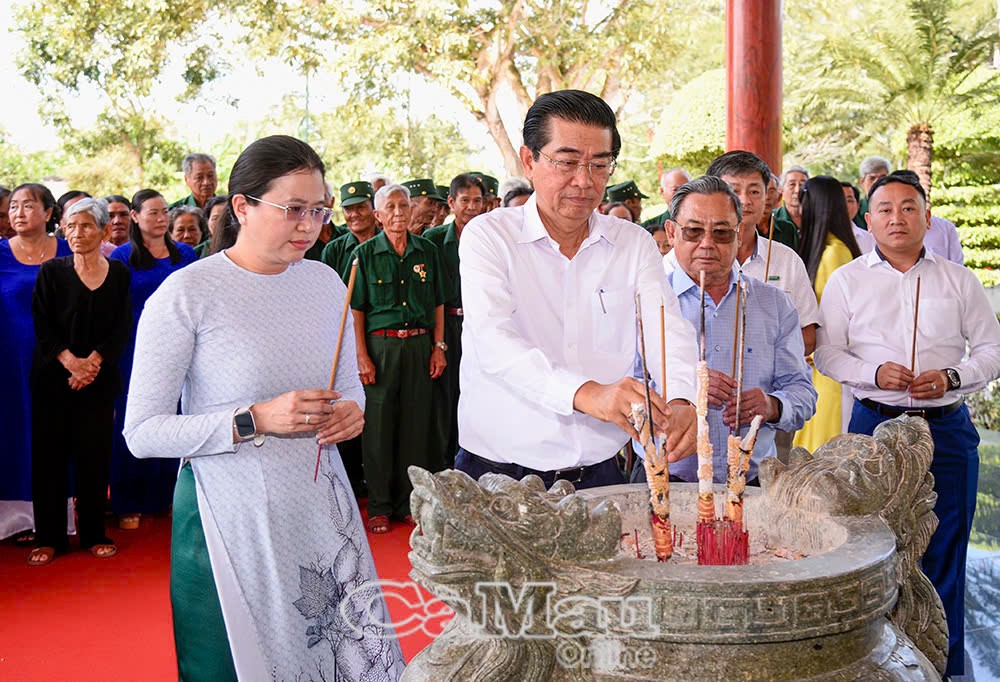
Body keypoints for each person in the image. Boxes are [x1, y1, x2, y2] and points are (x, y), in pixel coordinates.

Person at [123, 135, 403, 681]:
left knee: (341, 655)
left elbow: (349, 388)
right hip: (231, 514)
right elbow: (143, 431)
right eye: (293, 209)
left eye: (318, 210)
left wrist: (352, 413)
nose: (311, 225)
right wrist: (254, 419)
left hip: (322, 503)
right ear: (243, 207)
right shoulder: (189, 293)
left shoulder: (325, 282)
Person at [457, 89, 699, 490]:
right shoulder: (490, 236)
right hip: (501, 473)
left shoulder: (633, 243)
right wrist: (588, 394)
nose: (584, 181)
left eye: (600, 165)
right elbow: (493, 340)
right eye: (567, 162)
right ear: (529, 160)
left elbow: (666, 330)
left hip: (601, 473)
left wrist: (682, 399)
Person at [814, 170, 1000, 678]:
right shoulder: (848, 279)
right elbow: (827, 353)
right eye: (886, 209)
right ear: (867, 219)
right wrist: (872, 372)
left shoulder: (957, 279)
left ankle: (943, 668)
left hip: (946, 428)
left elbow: (991, 350)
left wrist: (953, 376)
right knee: (871, 548)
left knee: (945, 549)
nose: (897, 218)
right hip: (873, 428)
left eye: (909, 207)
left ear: (927, 216)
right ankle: (874, 664)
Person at [644, 176, 816, 485]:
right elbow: (627, 390)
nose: (707, 243)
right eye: (693, 231)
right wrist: (682, 392)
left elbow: (803, 393)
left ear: (739, 235)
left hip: (753, 482)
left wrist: (772, 405)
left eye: (722, 233)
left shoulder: (774, 304)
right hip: (668, 480)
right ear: (671, 233)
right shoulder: (649, 303)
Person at [28, 198, 131, 566]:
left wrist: (93, 364)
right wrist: (71, 363)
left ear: (104, 231)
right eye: (70, 226)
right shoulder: (51, 272)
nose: (76, 233)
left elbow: (121, 327)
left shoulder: (119, 274)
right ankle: (49, 537)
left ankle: (93, 533)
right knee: (49, 460)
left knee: (94, 457)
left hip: (99, 382)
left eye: (86, 226)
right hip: (53, 380)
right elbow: (42, 325)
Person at [351, 183, 446, 534]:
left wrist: (439, 346)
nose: (397, 213)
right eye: (389, 207)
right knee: (378, 429)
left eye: (403, 206)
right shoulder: (365, 254)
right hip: (381, 348)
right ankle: (378, 505)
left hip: (419, 346)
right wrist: (362, 355)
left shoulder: (427, 251)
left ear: (411, 210)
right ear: (377, 216)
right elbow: (357, 310)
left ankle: (409, 502)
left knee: (415, 427)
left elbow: (438, 301)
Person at [109, 189, 198, 530]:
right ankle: (128, 501)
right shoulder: (121, 256)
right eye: (153, 213)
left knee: (176, 417)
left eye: (164, 213)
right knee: (136, 418)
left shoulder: (186, 254)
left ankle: (168, 495)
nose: (161, 219)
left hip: (180, 346)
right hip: (134, 347)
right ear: (134, 216)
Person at [673, 150, 819, 356]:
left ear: (768, 196)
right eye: (733, 191)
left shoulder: (786, 260)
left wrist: (756, 357)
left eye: (754, 191)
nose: (745, 201)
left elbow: (808, 337)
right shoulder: (680, 260)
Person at [0, 184, 73, 544]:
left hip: (63, 358)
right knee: (16, 430)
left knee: (59, 433)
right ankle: (17, 517)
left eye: (28, 205)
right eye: (13, 206)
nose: (18, 212)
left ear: (48, 213)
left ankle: (62, 515)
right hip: (10, 362)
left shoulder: (67, 251)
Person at [790, 176, 862, 453]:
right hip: (818, 367)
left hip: (831, 371)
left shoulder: (835, 253)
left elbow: (838, 318)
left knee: (827, 452)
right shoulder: (828, 249)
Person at [424, 173, 486, 467]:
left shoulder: (491, 236)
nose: (471, 207)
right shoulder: (433, 240)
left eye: (477, 201)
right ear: (451, 203)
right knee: (444, 399)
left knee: (478, 394)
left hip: (481, 326)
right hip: (446, 326)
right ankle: (444, 466)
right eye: (465, 200)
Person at [321, 181, 379, 280]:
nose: (354, 214)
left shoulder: (390, 244)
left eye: (361, 207)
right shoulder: (334, 250)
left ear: (374, 208)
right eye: (348, 209)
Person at [771, 165, 808, 250]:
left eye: (802, 185)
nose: (797, 190)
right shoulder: (772, 218)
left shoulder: (816, 220)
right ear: (781, 189)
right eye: (792, 184)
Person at [853, 155, 891, 229]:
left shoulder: (899, 208)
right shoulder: (853, 211)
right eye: (872, 178)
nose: (877, 182)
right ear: (862, 182)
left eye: (882, 178)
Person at [841, 182, 875, 252]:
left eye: (849, 201)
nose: (844, 205)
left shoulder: (870, 240)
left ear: (858, 205)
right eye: (839, 200)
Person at [757, 172, 780, 237]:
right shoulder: (745, 228)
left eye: (772, 191)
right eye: (763, 191)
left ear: (779, 196)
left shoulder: (787, 228)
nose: (767, 197)